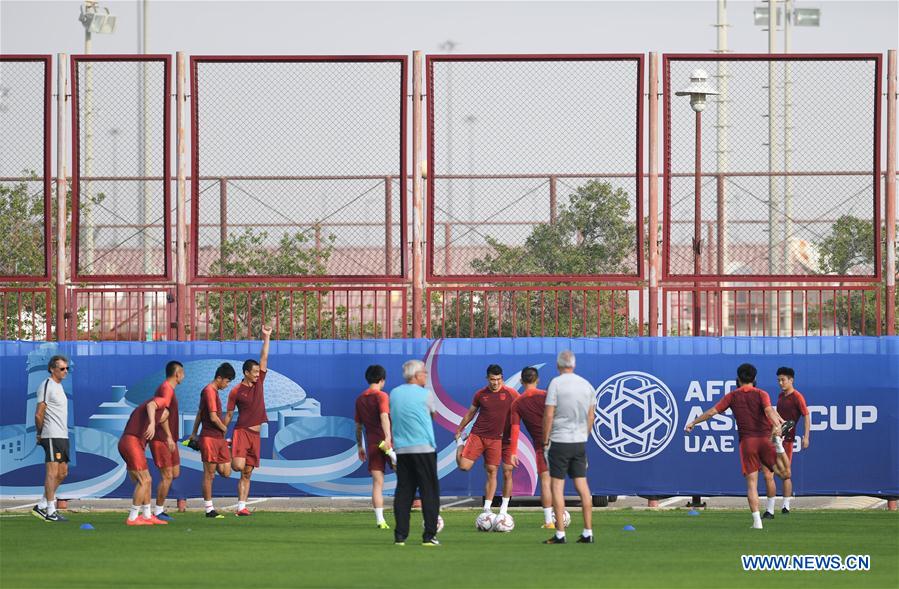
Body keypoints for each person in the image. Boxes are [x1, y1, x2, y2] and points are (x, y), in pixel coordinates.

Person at [685, 363, 792, 530]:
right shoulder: (761, 393)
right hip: (765, 440)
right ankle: (778, 445)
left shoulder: (732, 396)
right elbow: (769, 411)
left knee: (751, 484)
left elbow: (712, 412)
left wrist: (693, 422)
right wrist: (777, 424)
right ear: (754, 379)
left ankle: (757, 522)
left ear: (738, 378)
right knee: (785, 473)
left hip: (747, 443)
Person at [117, 360, 183, 526]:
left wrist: (168, 436)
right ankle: (132, 517)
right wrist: (152, 423)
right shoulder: (161, 398)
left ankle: (146, 515)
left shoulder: (163, 407)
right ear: (177, 374)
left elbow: (163, 416)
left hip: (133, 443)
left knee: (147, 479)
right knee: (145, 480)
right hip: (131, 442)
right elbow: (153, 406)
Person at [541, 350, 596, 545]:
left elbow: (548, 414)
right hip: (579, 441)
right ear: (574, 364)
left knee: (557, 486)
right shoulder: (586, 385)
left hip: (560, 440)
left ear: (558, 365)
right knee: (582, 486)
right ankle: (588, 531)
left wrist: (545, 439)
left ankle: (560, 534)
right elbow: (591, 416)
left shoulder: (556, 384)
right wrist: (584, 435)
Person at [454, 364, 519, 516]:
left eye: (498, 379)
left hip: (497, 439)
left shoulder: (511, 393)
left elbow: (523, 408)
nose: (495, 383)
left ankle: (488, 510)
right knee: (464, 466)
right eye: (492, 379)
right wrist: (459, 429)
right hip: (477, 434)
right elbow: (470, 413)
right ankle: (460, 443)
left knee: (492, 471)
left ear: (502, 378)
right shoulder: (480, 394)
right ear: (487, 378)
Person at [390, 359, 441, 546]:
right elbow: (433, 415)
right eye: (424, 373)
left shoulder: (394, 393)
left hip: (402, 449)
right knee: (429, 492)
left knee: (404, 492)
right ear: (415, 375)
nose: (426, 376)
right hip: (424, 448)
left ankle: (400, 536)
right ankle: (429, 535)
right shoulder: (425, 394)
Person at [224, 325, 272, 516]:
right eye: (253, 372)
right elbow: (228, 414)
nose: (257, 374)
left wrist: (266, 337)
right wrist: (221, 432)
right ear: (245, 372)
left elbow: (264, 358)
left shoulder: (259, 381)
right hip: (241, 431)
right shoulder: (235, 391)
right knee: (237, 466)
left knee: (247, 472)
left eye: (257, 372)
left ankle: (241, 507)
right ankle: (228, 446)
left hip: (255, 435)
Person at [187, 362, 236, 519]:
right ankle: (209, 510)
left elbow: (200, 414)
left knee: (226, 472)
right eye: (227, 381)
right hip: (209, 437)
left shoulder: (213, 392)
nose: (227, 385)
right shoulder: (208, 391)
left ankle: (222, 446)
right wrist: (223, 428)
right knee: (209, 474)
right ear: (219, 378)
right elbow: (213, 417)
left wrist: (193, 433)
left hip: (219, 439)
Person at [508, 366, 554, 528]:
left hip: (542, 445)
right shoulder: (547, 396)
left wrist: (513, 452)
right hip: (560, 440)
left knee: (546, 481)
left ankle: (549, 521)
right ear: (538, 380)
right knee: (560, 480)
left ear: (521, 381)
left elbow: (515, 429)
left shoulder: (517, 403)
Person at [761, 366, 810, 518]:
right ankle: (769, 510)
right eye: (778, 380)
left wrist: (806, 436)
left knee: (785, 475)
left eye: (783, 380)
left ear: (791, 380)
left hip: (787, 441)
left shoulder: (798, 397)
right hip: (776, 439)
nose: (781, 383)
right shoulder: (781, 397)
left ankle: (786, 507)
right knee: (768, 473)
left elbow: (806, 416)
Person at [354, 364, 396, 529]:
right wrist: (387, 438)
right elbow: (384, 417)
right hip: (386, 442)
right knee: (406, 477)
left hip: (371, 443)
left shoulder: (360, 399)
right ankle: (393, 455)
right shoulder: (382, 396)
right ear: (382, 380)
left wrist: (360, 446)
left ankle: (380, 520)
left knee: (377, 483)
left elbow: (358, 426)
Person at [32, 355, 71, 523]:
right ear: (52, 369)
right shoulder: (47, 385)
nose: (65, 372)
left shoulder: (59, 387)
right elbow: (39, 413)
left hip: (62, 435)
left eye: (67, 369)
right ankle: (50, 510)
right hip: (51, 434)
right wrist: (40, 433)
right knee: (52, 472)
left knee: (63, 473)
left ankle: (41, 505)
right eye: (62, 369)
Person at [150, 361, 185, 521]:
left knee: (174, 473)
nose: (183, 376)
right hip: (161, 439)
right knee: (168, 475)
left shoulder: (169, 389)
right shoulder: (166, 389)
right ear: (177, 374)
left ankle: (155, 508)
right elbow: (163, 414)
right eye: (182, 373)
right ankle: (157, 511)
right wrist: (169, 437)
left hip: (169, 439)